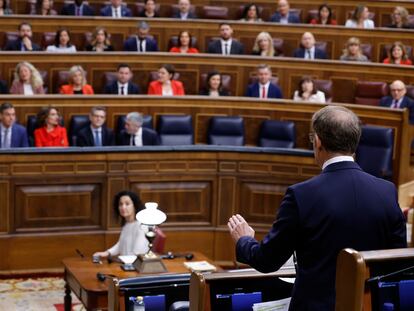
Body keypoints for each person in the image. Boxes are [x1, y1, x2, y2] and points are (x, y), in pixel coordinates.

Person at [228, 105, 407, 311]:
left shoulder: (302, 194)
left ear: (318, 142)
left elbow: (267, 261)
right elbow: (397, 264)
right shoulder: (386, 191)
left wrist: (244, 240)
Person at [93, 191, 149, 258]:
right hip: (126, 263)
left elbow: (138, 253)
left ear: (135, 205)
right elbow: (121, 245)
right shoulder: (127, 224)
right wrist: (107, 253)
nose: (123, 207)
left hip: (135, 265)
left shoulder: (142, 226)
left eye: (127, 204)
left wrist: (119, 260)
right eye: (120, 204)